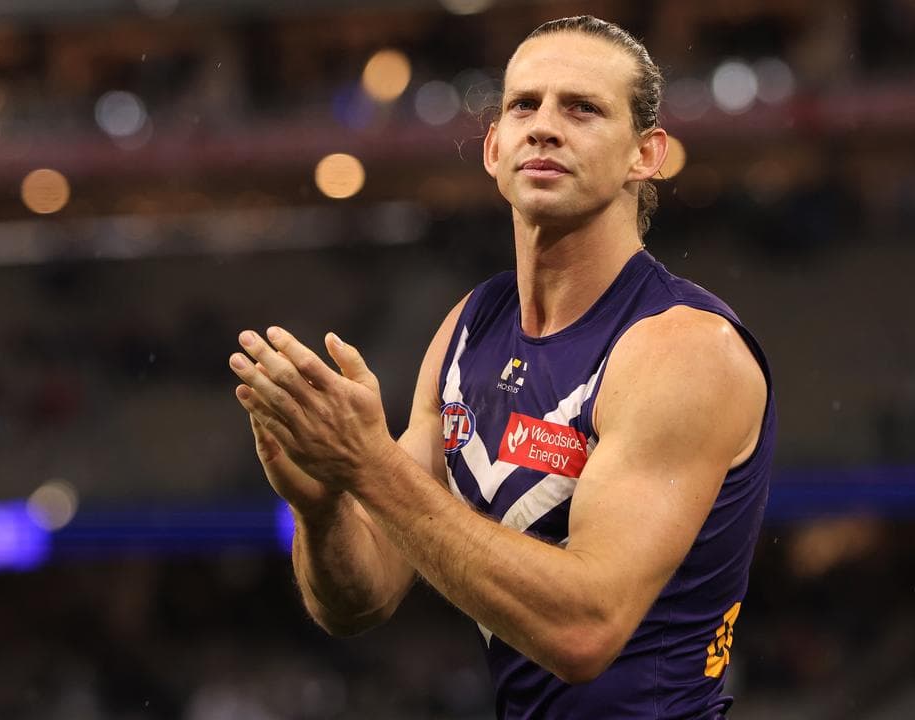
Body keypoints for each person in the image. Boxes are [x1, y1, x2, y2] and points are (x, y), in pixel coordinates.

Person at [228, 15, 775, 718]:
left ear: (646, 154)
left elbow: (584, 631)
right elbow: (359, 602)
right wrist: (323, 502)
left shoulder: (682, 349)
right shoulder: (467, 328)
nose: (544, 127)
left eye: (582, 108)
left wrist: (367, 465)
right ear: (493, 149)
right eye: (524, 105)